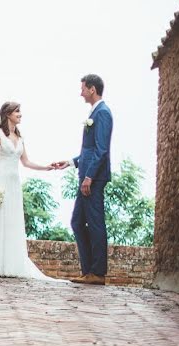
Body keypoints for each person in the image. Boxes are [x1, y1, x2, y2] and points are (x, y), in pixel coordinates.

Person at [53, 74, 113, 285]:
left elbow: (101, 150)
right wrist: (70, 162)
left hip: (93, 178)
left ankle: (98, 272)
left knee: (95, 223)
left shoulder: (103, 113)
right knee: (78, 222)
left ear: (92, 89)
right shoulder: (95, 112)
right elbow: (89, 151)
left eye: (83, 89)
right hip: (86, 174)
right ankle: (88, 271)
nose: (80, 93)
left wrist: (89, 176)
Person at [0, 101, 56, 279]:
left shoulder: (20, 137)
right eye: (17, 111)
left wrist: (45, 167)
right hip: (1, 180)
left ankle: (12, 265)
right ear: (8, 114)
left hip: (15, 183)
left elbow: (26, 162)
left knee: (13, 221)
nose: (20, 114)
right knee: (0, 220)